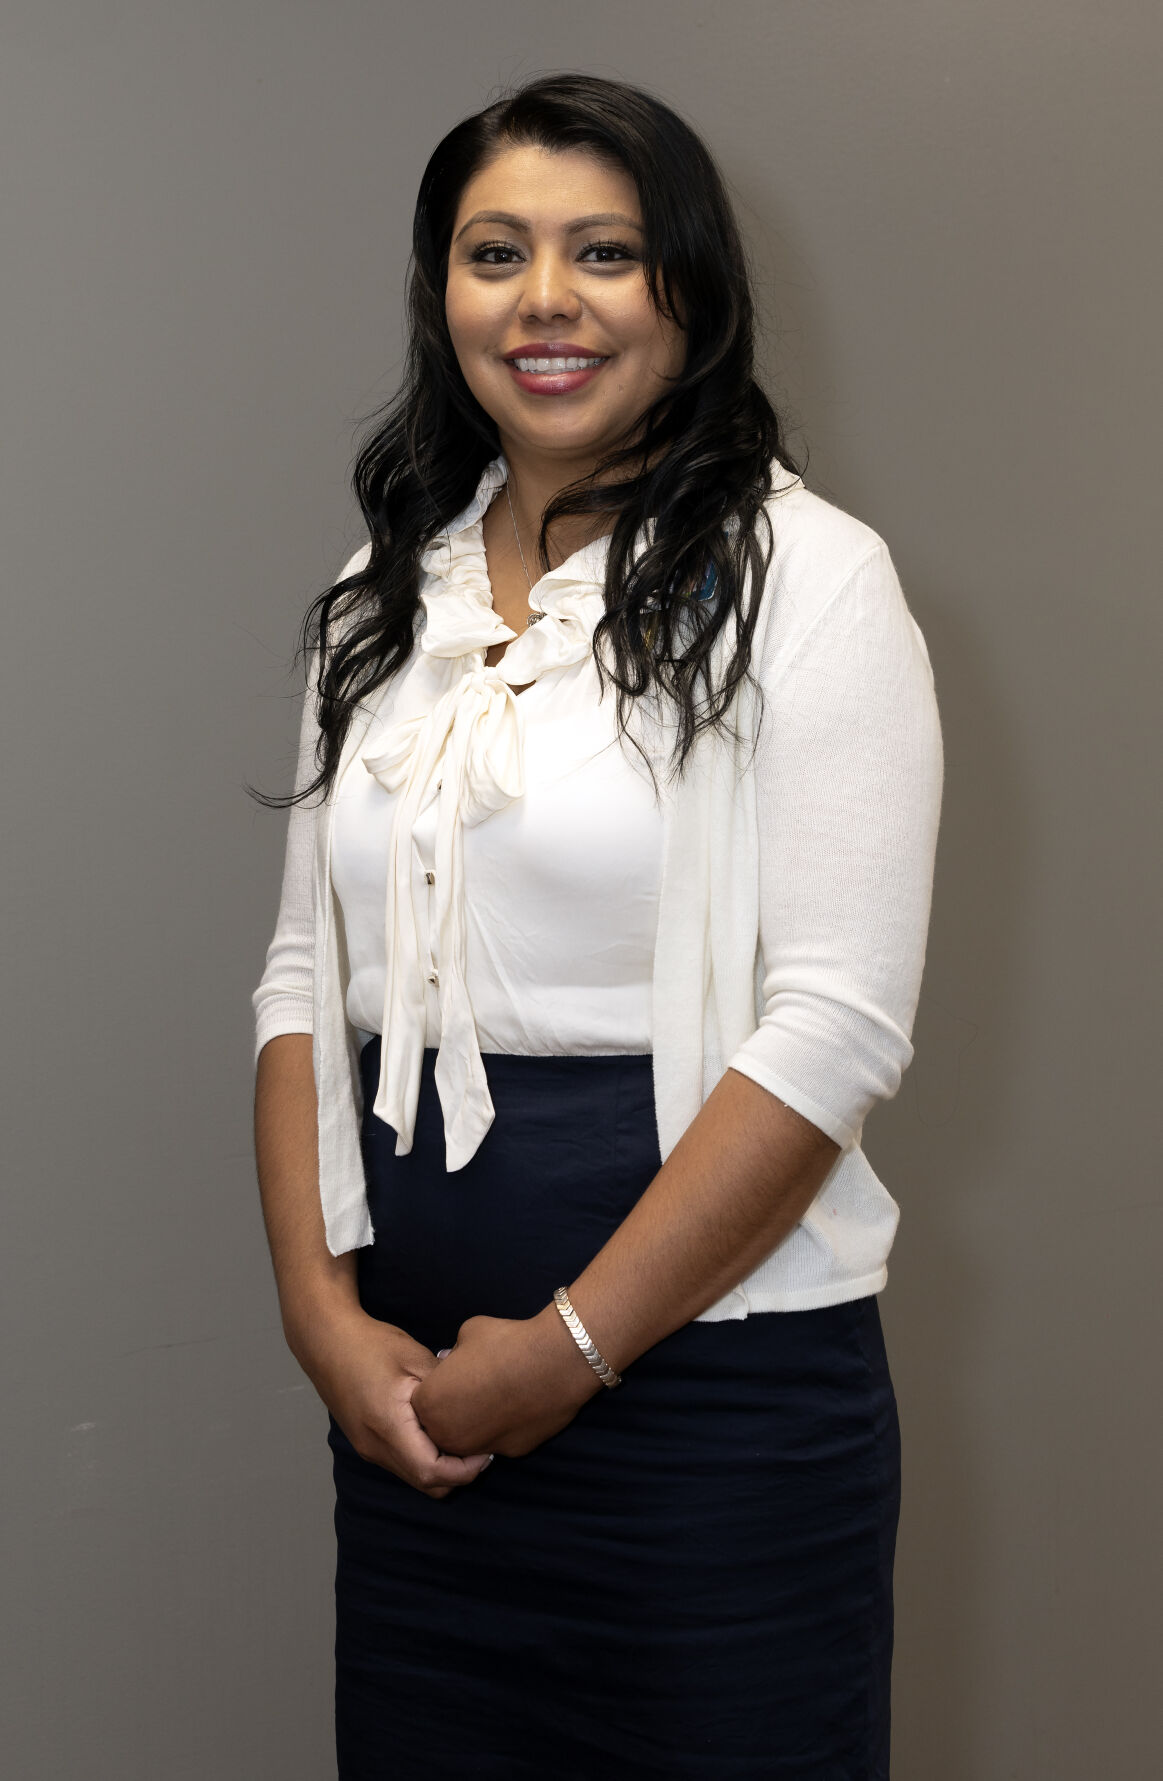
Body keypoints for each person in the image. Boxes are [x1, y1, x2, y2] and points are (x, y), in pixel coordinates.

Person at [251, 71, 943, 1780]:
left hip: (715, 1419)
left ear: (686, 293)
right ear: (444, 298)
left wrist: (564, 1353)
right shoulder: (380, 588)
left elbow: (834, 1024)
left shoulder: (812, 577)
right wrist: (324, 1321)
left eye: (605, 252)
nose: (546, 299)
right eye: (497, 252)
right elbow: (296, 978)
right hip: (417, 1421)